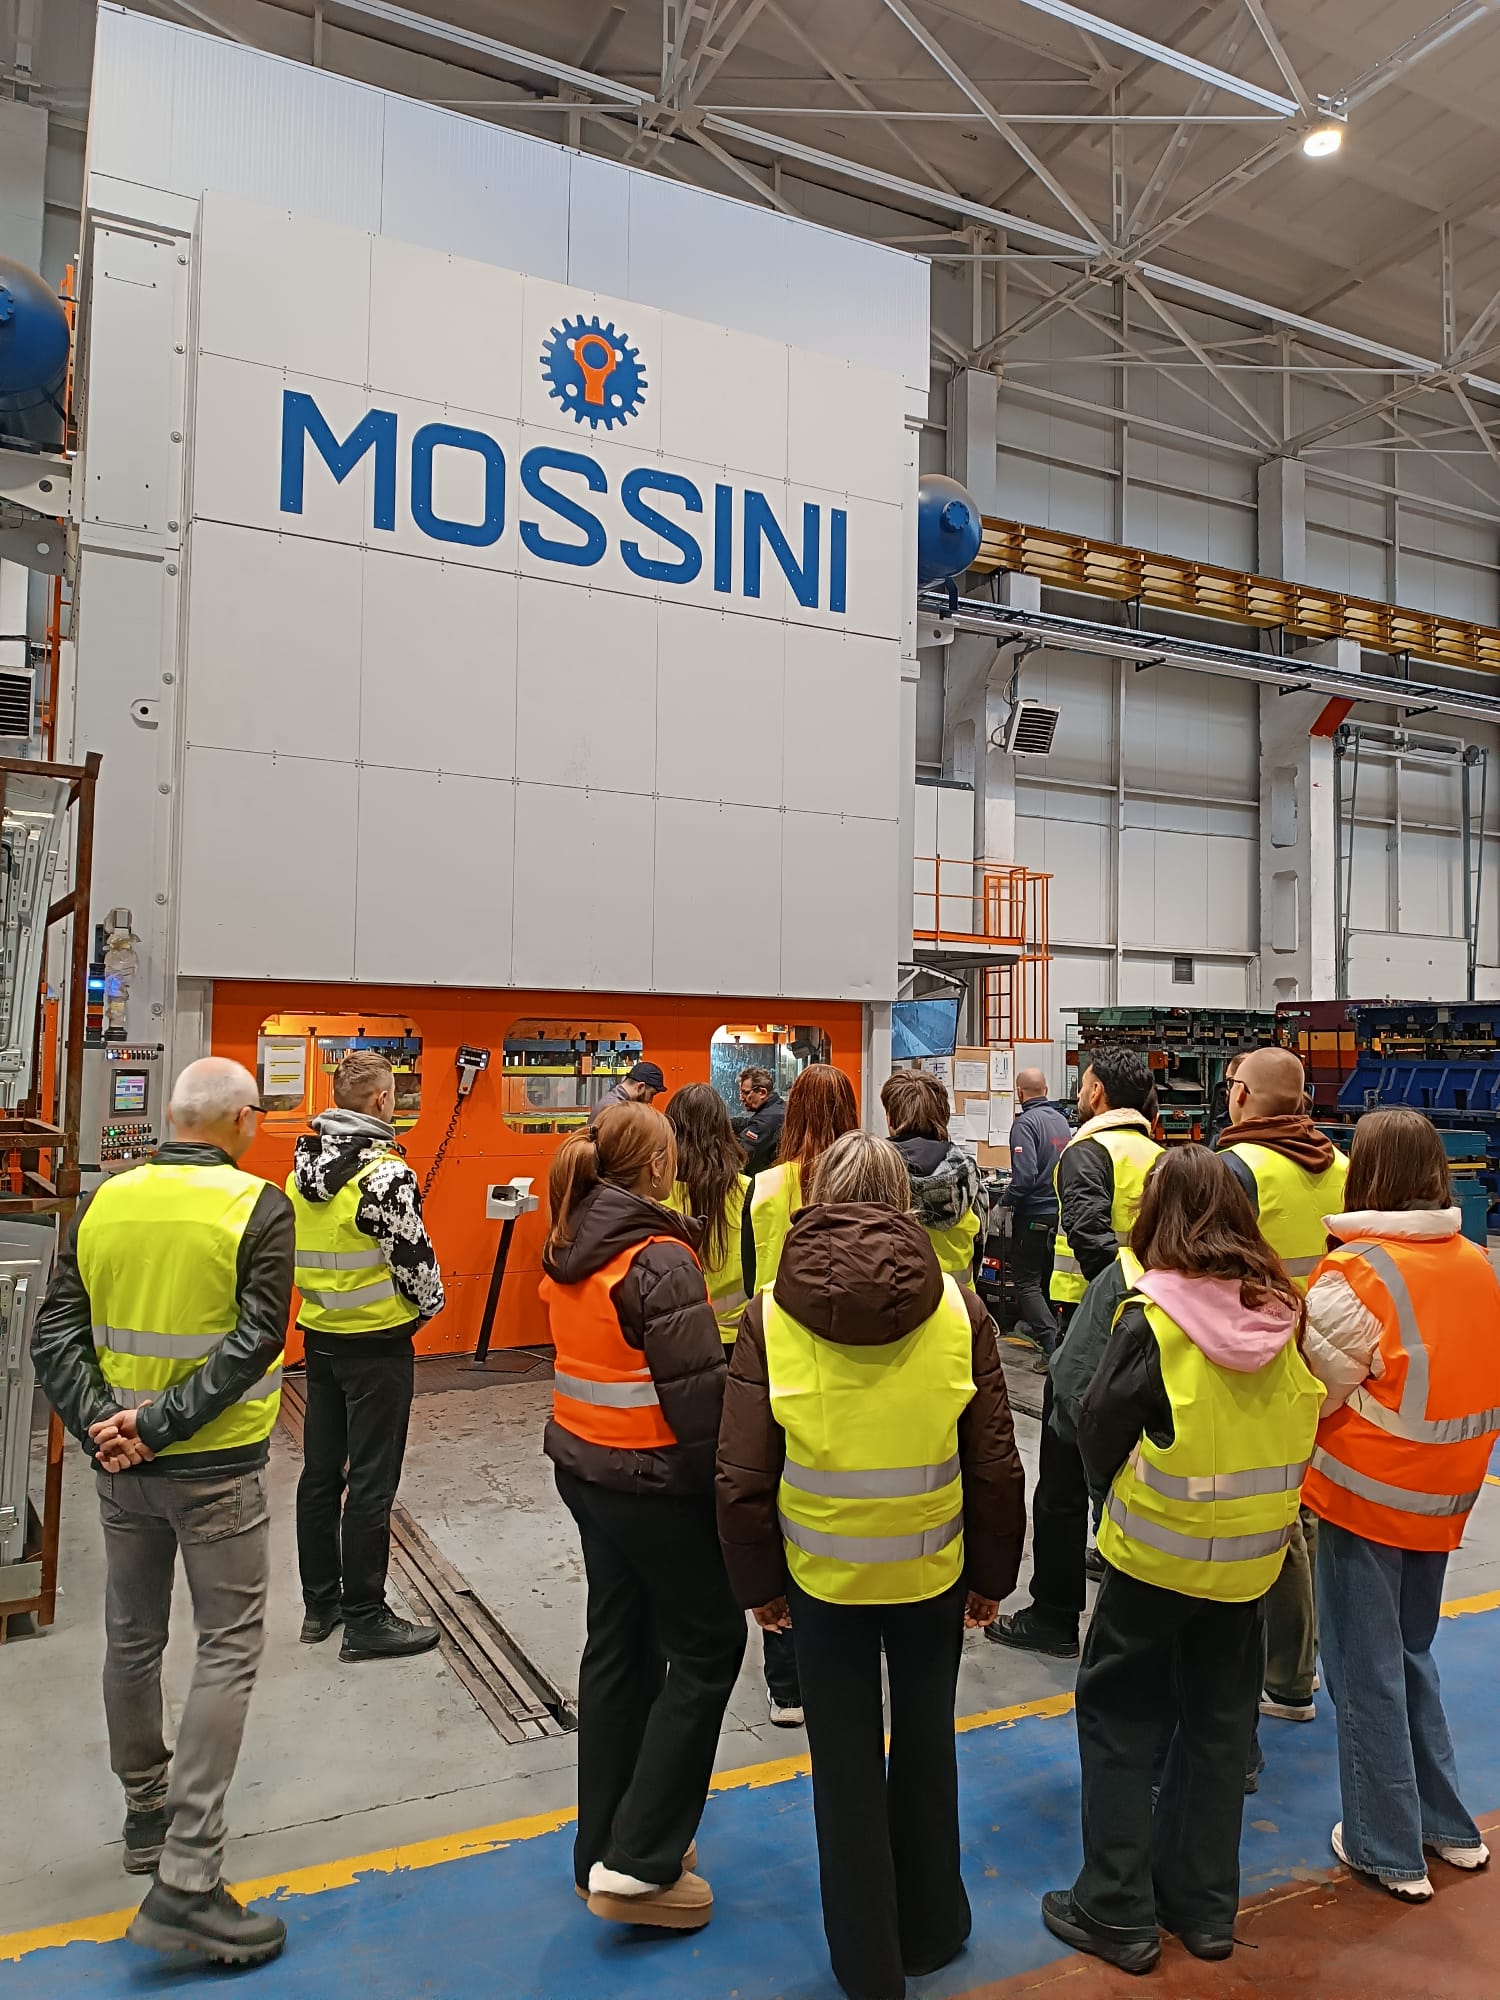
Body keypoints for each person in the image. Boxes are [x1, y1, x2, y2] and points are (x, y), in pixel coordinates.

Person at [717, 1132, 1026, 2000]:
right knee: (927, 1746)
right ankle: (932, 1928)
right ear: (902, 1198)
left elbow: (741, 1472)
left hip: (822, 1580)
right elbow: (995, 1463)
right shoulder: (961, 1309)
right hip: (931, 1573)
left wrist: (758, 1586)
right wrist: (992, 1577)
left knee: (844, 1767)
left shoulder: (770, 1314)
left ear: (818, 1196)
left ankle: (867, 1962)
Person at [30, 1058, 294, 1966]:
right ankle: (187, 1877)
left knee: (132, 1638)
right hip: (216, 1469)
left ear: (173, 1117)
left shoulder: (106, 1200)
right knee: (228, 1647)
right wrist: (158, 1425)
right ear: (242, 1120)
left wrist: (104, 1427)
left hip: (122, 1471)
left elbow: (55, 1331)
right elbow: (256, 1339)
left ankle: (145, 1812)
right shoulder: (257, 1208)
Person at [1042, 1146, 1324, 1975]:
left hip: (1153, 1560)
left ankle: (1115, 1908)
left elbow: (1094, 1427)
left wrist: (1118, 1496)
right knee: (1218, 1727)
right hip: (1250, 1566)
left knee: (1120, 1719)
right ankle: (1203, 1908)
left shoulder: (1152, 1317)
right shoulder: (1285, 1314)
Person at [541, 1101, 746, 1932]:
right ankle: (640, 1864)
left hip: (586, 1469)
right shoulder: (657, 1257)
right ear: (659, 1167)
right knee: (708, 1647)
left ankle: (601, 1846)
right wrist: (731, 1500)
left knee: (620, 1650)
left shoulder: (573, 1239)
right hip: (653, 1483)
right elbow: (699, 1407)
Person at [1300, 1108, 1500, 1902]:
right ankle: (1448, 1826)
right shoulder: (1474, 1263)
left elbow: (1313, 1391)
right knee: (1412, 1654)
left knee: (1362, 1669)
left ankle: (1386, 1846)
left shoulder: (1358, 1274)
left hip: (1365, 1495)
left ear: (1369, 1174)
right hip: (1445, 1496)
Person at [990, 1045, 1160, 1659]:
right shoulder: (1159, 1155)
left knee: (1059, 1477)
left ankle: (1055, 1614)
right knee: (1124, 1462)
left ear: (1096, 1092)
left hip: (1091, 1327)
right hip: (1152, 1327)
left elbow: (1089, 1238)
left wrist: (1117, 1301)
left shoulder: (1089, 1153)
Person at [287, 1049, 445, 1661]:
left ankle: (320, 1606)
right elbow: (416, 1266)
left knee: (320, 1476)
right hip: (378, 1346)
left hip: (320, 1339)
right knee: (372, 1484)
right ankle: (365, 1618)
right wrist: (424, 1311)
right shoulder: (384, 1176)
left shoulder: (299, 1173)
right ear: (382, 1100)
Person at [1217, 1045, 1348, 1727]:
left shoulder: (1240, 1168)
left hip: (1258, 1362)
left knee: (1275, 1517)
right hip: (1325, 1359)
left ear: (1241, 1095)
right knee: (1306, 1508)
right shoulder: (1341, 1167)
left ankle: (1288, 1677)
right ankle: (1304, 1660)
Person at [747, 1061, 859, 1725]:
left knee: (782, 1514)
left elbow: (755, 1283)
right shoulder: (873, 1186)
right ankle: (851, 1661)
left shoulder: (765, 1188)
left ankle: (788, 1685)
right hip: (863, 1366)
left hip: (783, 1362)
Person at [880, 1069, 988, 1288]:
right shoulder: (967, 1174)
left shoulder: (876, 1170)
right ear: (942, 1116)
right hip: (959, 1301)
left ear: (890, 1118)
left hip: (896, 1301)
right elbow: (979, 1244)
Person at [664, 1083, 751, 1343]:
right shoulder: (750, 1192)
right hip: (739, 1333)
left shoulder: (655, 1196)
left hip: (674, 1332)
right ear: (724, 1129)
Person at [1002, 1067, 1070, 1354]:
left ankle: (1051, 1343)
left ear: (1019, 1092)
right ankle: (1049, 1330)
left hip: (1032, 1213)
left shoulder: (1025, 1124)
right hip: (1058, 1213)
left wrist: (1004, 1202)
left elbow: (1025, 1177)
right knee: (1045, 1276)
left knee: (1026, 1281)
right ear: (1046, 1090)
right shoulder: (1061, 1121)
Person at [737, 1066, 785, 1176]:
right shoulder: (777, 1107)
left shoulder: (766, 1121)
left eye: (746, 1093)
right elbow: (748, 1122)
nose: (741, 1098)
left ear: (762, 1093)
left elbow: (738, 1152)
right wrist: (724, 1121)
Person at [589, 1059, 666, 1128]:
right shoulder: (617, 1110)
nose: (650, 1101)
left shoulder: (611, 1101)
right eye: (652, 1094)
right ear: (640, 1087)